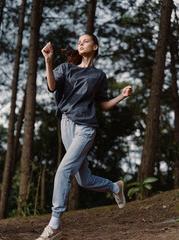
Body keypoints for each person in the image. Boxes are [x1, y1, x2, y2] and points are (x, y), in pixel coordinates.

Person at [37, 33, 132, 240]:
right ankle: (115, 187)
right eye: (79, 41)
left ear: (95, 47)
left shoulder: (99, 76)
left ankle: (54, 225)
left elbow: (104, 105)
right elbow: (52, 87)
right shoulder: (66, 68)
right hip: (66, 125)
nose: (80, 43)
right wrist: (48, 61)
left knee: (63, 170)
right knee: (84, 179)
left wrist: (122, 96)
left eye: (85, 40)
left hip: (86, 127)